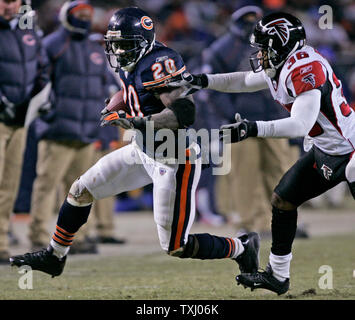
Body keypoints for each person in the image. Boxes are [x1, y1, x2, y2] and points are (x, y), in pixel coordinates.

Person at [10, 7, 260, 279]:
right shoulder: (134, 62)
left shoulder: (160, 61)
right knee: (80, 191)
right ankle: (54, 256)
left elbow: (184, 112)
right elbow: (139, 91)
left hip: (175, 158)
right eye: (115, 44)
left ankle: (241, 248)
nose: (118, 52)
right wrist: (119, 102)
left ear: (144, 42)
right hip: (143, 150)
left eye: (125, 45)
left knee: (176, 246)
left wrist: (135, 122)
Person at [170, 12, 355, 295]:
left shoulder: (306, 67)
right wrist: (203, 80)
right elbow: (245, 80)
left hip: (350, 150)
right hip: (326, 150)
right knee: (283, 200)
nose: (259, 56)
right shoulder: (283, 65)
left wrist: (251, 128)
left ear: (282, 45)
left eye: (264, 49)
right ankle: (278, 276)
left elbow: (300, 124)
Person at [27, 0, 116, 254]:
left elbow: (105, 89)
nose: (85, 18)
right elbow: (39, 84)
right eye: (80, 14)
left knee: (83, 189)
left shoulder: (95, 49)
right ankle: (38, 235)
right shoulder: (52, 45)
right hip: (57, 132)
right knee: (46, 186)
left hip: (87, 132)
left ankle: (77, 237)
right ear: (66, 16)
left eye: (88, 14)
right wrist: (51, 114)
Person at [0, 0, 49, 263]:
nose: (10, 6)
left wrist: (42, 94)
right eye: (5, 1)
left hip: (20, 118)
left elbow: (40, 66)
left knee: (9, 185)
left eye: (14, 0)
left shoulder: (27, 28)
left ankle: (0, 242)